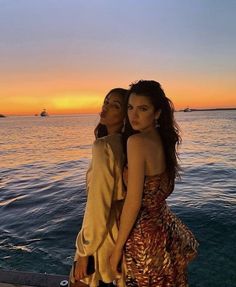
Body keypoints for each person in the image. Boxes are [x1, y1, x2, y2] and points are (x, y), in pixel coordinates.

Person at [110, 80, 198, 286]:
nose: (133, 115)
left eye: (143, 109)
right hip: (164, 228)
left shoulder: (137, 143)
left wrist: (116, 250)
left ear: (157, 113)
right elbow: (162, 190)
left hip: (143, 236)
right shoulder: (162, 140)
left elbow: (133, 201)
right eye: (130, 108)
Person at [70, 88, 128, 287]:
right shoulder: (129, 145)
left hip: (103, 238)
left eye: (115, 105)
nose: (106, 107)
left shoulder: (103, 147)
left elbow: (98, 205)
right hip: (123, 233)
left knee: (80, 282)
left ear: (124, 116)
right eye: (106, 102)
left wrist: (84, 251)